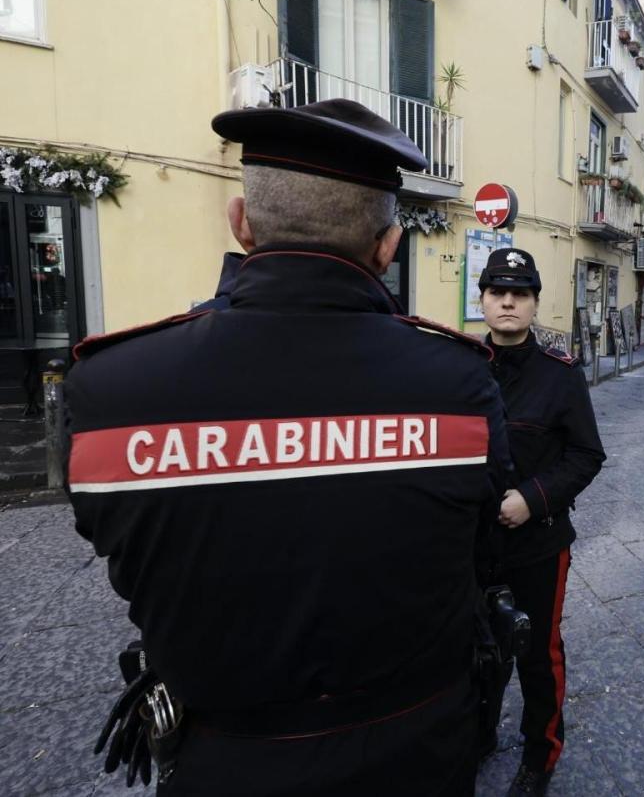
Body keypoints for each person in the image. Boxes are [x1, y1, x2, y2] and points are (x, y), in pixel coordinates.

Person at [65, 98, 510, 795]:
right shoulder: (460, 384)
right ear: (387, 247)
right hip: (419, 753)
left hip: (222, 763)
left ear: (240, 224)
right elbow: (482, 547)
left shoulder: (109, 390)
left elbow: (124, 557)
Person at [476, 248, 605, 796]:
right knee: (476, 649)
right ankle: (478, 731)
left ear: (533, 303)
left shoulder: (561, 376)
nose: (508, 301)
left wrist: (532, 498)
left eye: (521, 293)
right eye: (498, 291)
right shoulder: (458, 368)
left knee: (537, 653)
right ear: (481, 299)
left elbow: (586, 455)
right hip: (472, 546)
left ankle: (540, 755)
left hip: (539, 544)